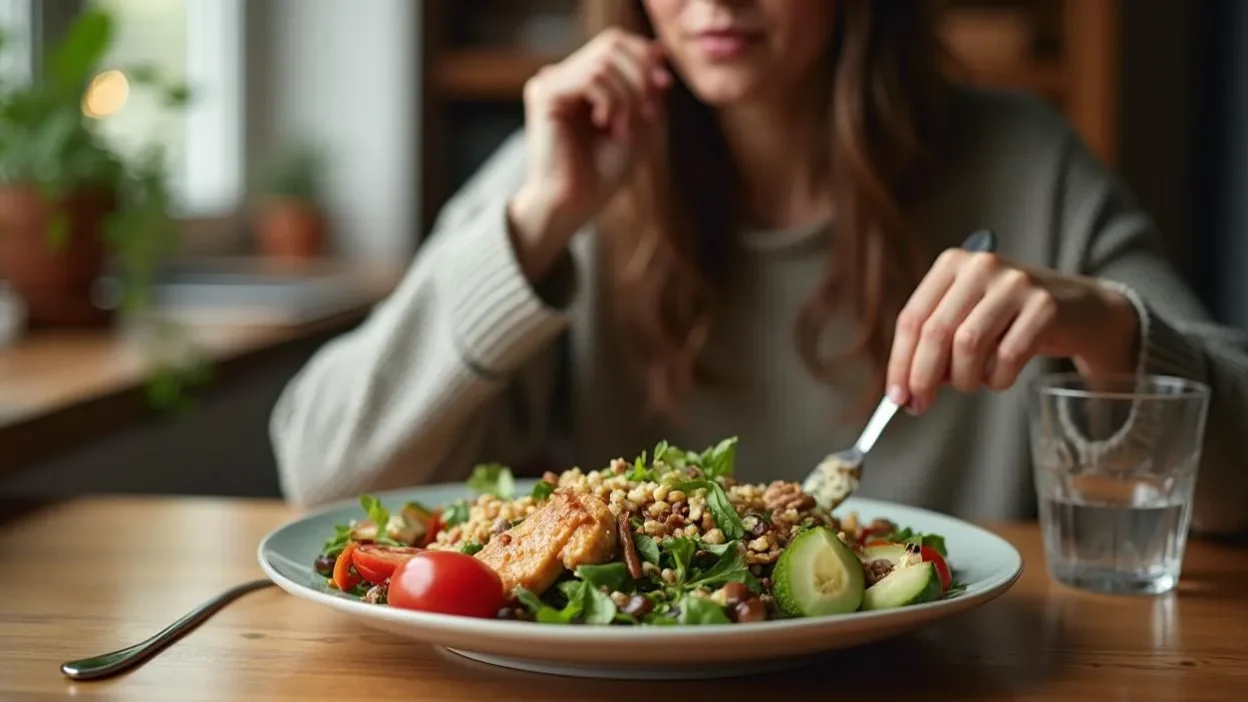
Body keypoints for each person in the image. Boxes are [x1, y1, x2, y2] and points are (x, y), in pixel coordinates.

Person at [270, 0, 1248, 533]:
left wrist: (1105, 328)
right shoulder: (574, 169)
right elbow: (320, 468)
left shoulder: (1023, 160)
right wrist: (535, 220)